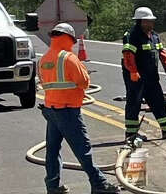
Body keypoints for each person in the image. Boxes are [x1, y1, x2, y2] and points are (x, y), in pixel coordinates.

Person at [39, 22, 120, 194]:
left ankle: (53, 185)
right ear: (68, 38)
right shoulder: (68, 58)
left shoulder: (44, 59)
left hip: (51, 109)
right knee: (83, 149)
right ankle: (98, 182)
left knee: (53, 150)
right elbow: (83, 82)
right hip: (68, 110)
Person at [121, 6, 166, 142]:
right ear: (141, 21)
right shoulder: (132, 36)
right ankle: (131, 134)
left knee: (158, 102)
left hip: (151, 77)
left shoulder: (154, 37)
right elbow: (128, 56)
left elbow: (162, 53)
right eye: (149, 21)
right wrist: (133, 72)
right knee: (134, 104)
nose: (152, 23)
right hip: (136, 78)